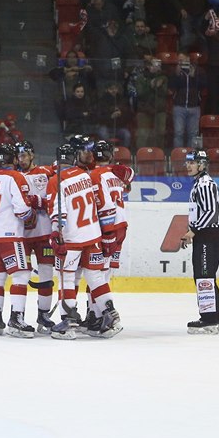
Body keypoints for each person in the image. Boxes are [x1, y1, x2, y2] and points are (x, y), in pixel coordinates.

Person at [45, 137, 121, 339]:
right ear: (73, 157)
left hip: (71, 239)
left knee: (67, 279)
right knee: (95, 277)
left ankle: (68, 324)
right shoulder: (86, 175)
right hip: (93, 236)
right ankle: (111, 315)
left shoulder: (55, 180)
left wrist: (56, 234)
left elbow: (58, 212)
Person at [0, 143, 39, 338]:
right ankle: (16, 319)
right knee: (21, 275)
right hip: (10, 236)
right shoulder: (16, 176)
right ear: (14, 159)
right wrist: (31, 217)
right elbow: (21, 209)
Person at [78, 139, 131, 331]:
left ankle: (102, 315)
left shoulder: (95, 175)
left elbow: (106, 207)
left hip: (107, 229)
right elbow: (128, 178)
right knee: (102, 274)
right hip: (120, 227)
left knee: (97, 274)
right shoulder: (116, 174)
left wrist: (107, 235)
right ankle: (94, 315)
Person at [179, 149, 219, 334]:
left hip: (208, 234)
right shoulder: (200, 183)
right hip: (207, 234)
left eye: (193, 162)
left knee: (204, 276)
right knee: (207, 276)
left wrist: (193, 231)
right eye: (188, 162)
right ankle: (217, 316)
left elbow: (210, 212)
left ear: (202, 164)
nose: (188, 166)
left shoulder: (205, 184)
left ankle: (208, 319)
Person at [15, 141, 57, 333]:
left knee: (46, 275)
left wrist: (39, 201)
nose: (21, 159)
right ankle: (18, 316)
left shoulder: (47, 172)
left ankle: (44, 315)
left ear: (32, 155)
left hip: (44, 233)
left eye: (24, 155)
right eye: (18, 156)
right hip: (21, 234)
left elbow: (58, 197)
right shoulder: (12, 177)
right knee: (21, 276)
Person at [169, 53, 204, 149]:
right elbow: (171, 86)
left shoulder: (198, 71)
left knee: (193, 134)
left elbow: (203, 86)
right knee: (178, 133)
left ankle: (191, 158)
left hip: (194, 107)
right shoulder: (175, 72)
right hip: (179, 106)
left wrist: (193, 77)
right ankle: (178, 157)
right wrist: (177, 75)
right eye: (179, 61)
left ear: (188, 60)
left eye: (183, 60)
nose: (181, 63)